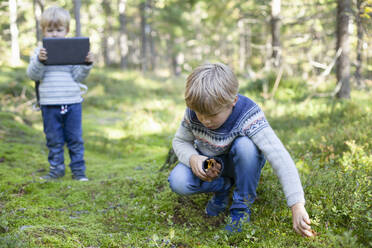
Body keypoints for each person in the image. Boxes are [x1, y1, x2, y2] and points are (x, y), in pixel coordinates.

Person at [168, 62, 314, 236]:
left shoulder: (248, 114)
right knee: (178, 181)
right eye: (200, 114)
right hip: (210, 163)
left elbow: (279, 156)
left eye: (212, 115)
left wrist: (296, 205)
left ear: (233, 101)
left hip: (240, 163)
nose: (205, 120)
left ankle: (241, 209)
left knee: (246, 146)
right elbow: (180, 141)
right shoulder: (195, 110)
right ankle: (222, 187)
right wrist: (193, 158)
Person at [27, 6, 94, 181]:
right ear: (43, 31)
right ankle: (56, 169)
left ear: (67, 30)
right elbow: (33, 75)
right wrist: (40, 61)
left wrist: (86, 65)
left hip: (72, 101)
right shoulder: (38, 52)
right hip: (49, 103)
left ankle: (79, 171)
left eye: (59, 30)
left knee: (75, 139)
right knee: (54, 139)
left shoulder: (71, 50)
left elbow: (79, 77)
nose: (55, 34)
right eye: (50, 30)